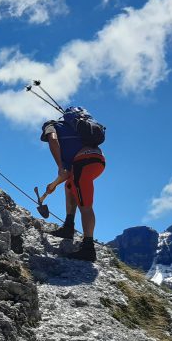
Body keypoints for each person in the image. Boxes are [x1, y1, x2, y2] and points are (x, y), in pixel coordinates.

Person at [41, 108, 106, 262]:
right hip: (97, 160)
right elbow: (68, 174)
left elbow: (53, 139)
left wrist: (59, 165)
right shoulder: (80, 132)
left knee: (85, 205)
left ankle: (88, 248)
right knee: (71, 185)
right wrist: (54, 184)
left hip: (83, 161)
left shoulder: (53, 125)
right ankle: (68, 227)